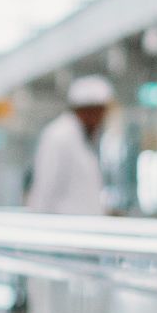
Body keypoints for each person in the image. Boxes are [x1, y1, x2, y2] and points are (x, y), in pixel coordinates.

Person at [27, 76, 115, 215]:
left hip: (79, 229)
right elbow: (45, 190)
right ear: (87, 111)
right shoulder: (59, 136)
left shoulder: (81, 138)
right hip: (64, 230)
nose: (101, 119)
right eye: (100, 112)